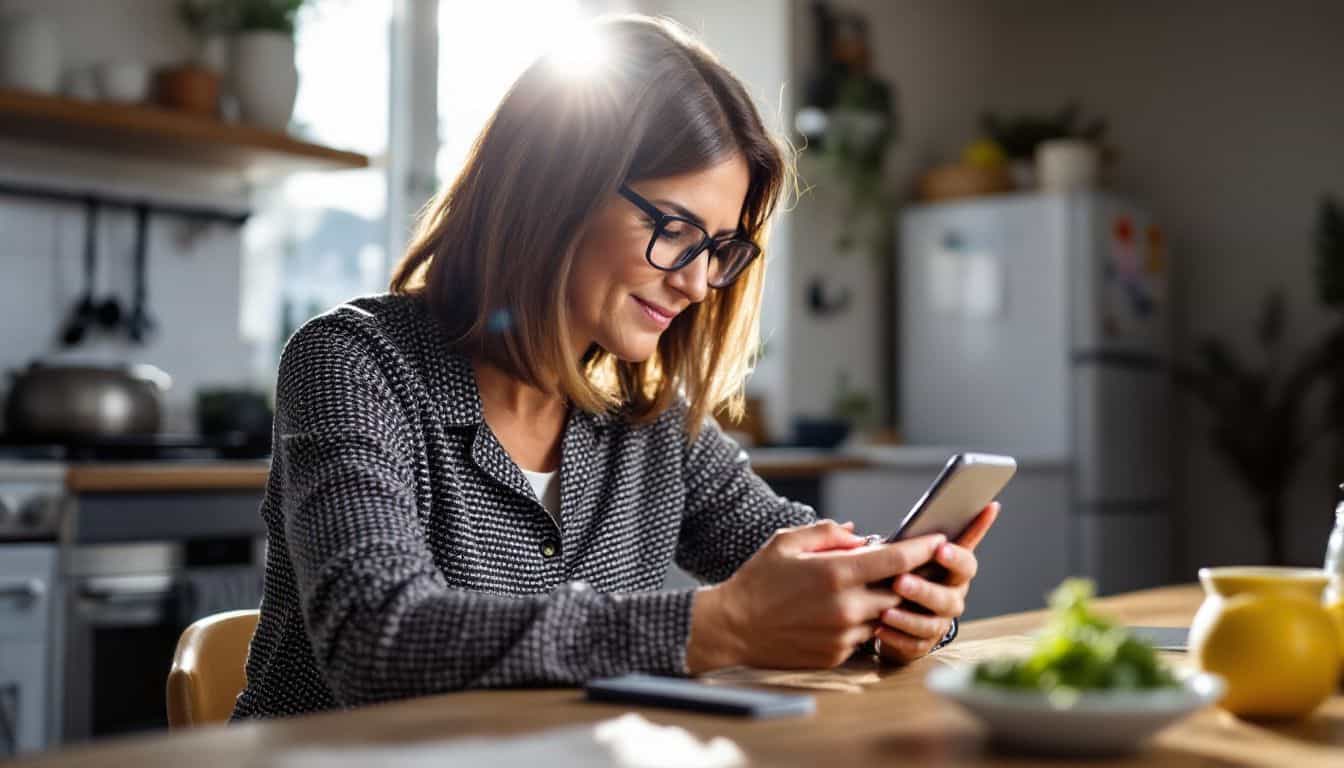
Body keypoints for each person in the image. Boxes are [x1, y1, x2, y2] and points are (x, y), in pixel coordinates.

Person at [232, 15, 998, 720]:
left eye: (718, 249)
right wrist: (719, 626)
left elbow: (794, 562)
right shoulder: (355, 363)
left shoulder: (647, 421)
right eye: (674, 229)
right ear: (553, 188)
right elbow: (379, 639)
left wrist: (900, 603)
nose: (698, 283)